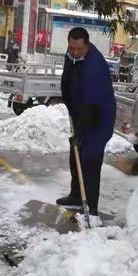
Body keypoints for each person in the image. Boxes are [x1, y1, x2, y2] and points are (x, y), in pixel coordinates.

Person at [57, 27, 116, 216]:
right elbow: (67, 81)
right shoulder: (71, 54)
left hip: (98, 118)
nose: (74, 52)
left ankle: (91, 207)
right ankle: (76, 195)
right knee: (75, 155)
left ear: (87, 45)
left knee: (90, 158)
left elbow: (90, 107)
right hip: (80, 110)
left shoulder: (94, 67)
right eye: (71, 48)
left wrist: (81, 132)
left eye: (78, 49)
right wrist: (69, 105)